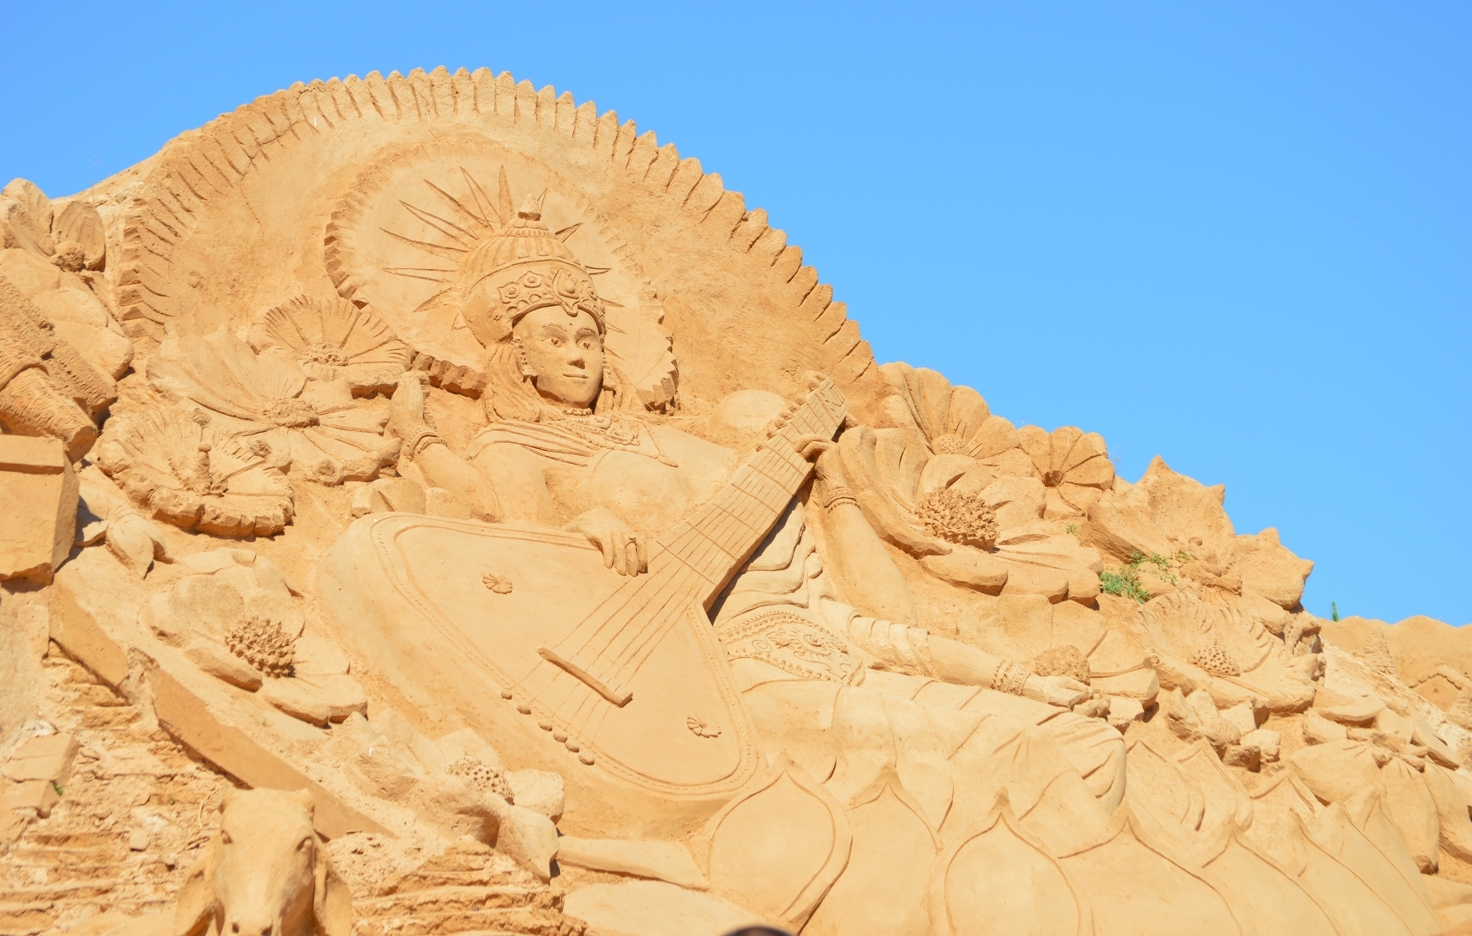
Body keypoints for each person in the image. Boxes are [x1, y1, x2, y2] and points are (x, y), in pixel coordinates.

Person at [386, 194, 1127, 842]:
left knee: (1083, 743)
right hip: (724, 680)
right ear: (517, 357)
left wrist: (1019, 679)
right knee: (1011, 754)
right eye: (556, 341)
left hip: (836, 651)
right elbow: (521, 557)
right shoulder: (513, 445)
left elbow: (869, 622)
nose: (580, 357)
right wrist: (578, 532)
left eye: (590, 340)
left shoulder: (692, 448)